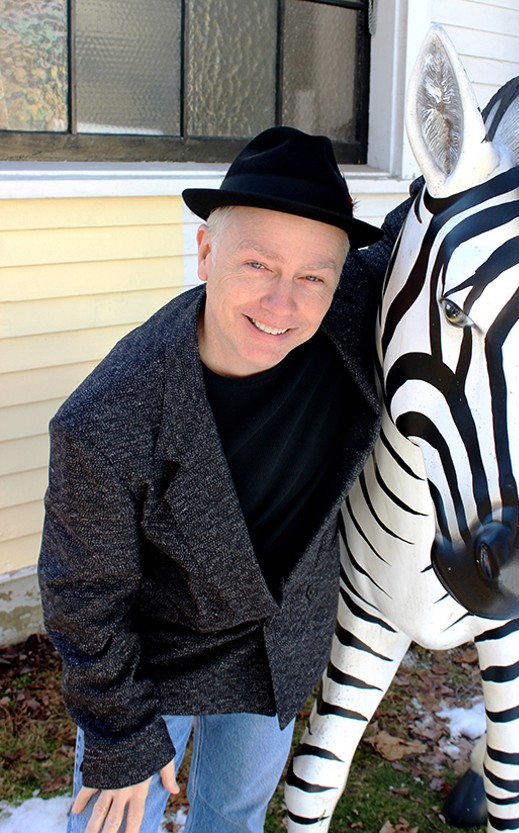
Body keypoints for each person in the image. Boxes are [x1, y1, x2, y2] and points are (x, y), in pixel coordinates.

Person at [38, 126, 417, 833]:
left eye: (312, 276)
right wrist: (121, 736)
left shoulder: (348, 318)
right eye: (256, 264)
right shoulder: (105, 419)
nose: (283, 304)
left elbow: (437, 228)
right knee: (114, 822)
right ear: (205, 250)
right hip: (156, 660)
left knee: (235, 815)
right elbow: (83, 598)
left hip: (279, 646)